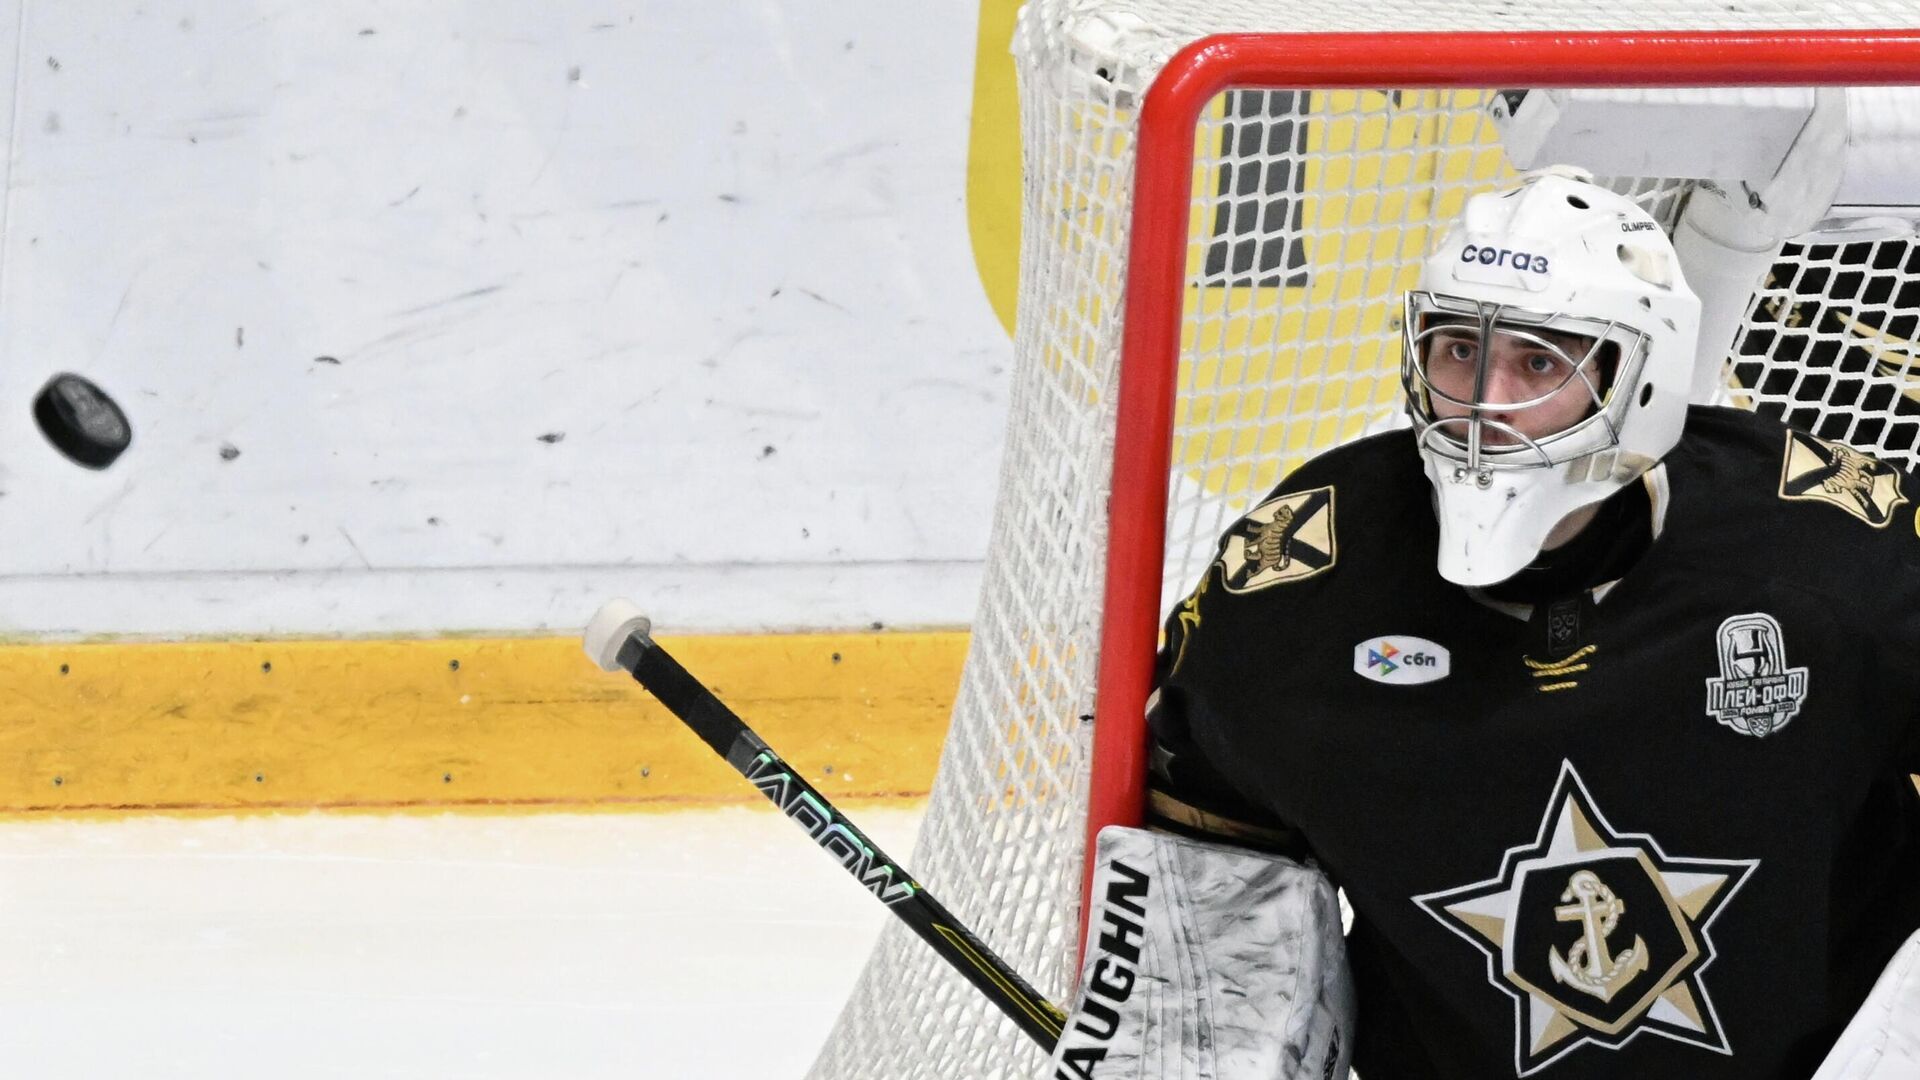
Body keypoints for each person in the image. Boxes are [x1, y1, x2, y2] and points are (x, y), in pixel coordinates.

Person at [1142, 171, 1920, 1078]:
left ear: (1640, 378)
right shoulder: (1298, 586)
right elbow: (1213, 868)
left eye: (1540, 363)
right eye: (1457, 351)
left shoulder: (1829, 550)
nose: (1484, 404)